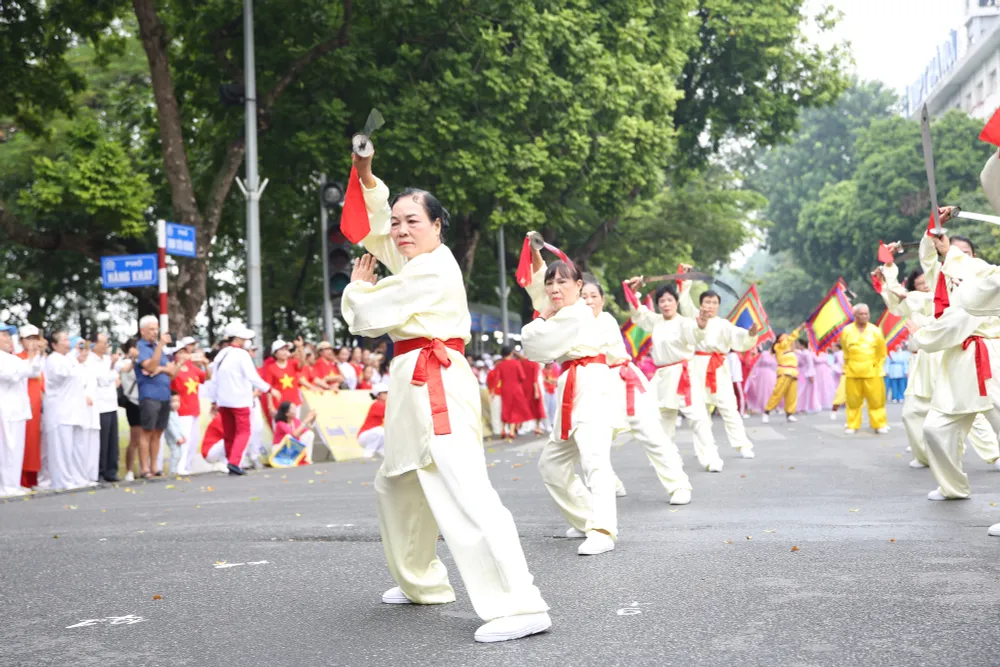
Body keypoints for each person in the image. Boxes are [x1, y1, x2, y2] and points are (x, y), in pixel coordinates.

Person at [341, 151, 550, 643]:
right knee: (397, 484)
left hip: (435, 382)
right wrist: (368, 180)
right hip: (411, 380)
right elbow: (375, 233)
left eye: (412, 220)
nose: (400, 229)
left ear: (437, 225)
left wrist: (355, 290)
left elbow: (368, 316)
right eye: (396, 221)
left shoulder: (431, 270)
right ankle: (423, 582)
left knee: (464, 490)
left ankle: (522, 601)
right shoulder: (416, 260)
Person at [522, 255, 620, 555]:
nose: (553, 288)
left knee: (594, 460)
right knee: (552, 464)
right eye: (550, 282)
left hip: (590, 384)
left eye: (562, 281)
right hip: (573, 384)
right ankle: (587, 517)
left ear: (579, 285)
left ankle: (603, 529)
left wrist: (540, 318)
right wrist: (537, 259)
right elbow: (540, 302)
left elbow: (533, 343)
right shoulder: (567, 311)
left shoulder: (575, 313)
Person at [581, 277, 693, 506]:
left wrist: (633, 294)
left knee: (652, 434)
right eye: (583, 297)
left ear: (602, 299)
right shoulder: (574, 322)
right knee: (589, 440)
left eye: (594, 296)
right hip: (593, 387)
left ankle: (679, 484)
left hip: (623, 382)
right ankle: (610, 483)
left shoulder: (605, 321)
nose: (589, 301)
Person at [623, 277, 723, 472]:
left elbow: (696, 334)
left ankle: (711, 457)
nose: (666, 304)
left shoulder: (685, 323)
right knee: (663, 419)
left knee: (698, 417)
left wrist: (702, 324)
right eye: (662, 301)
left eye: (669, 300)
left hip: (683, 375)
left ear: (676, 302)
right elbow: (638, 312)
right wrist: (633, 290)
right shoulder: (656, 321)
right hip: (662, 377)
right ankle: (666, 458)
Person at [678, 283, 764, 458]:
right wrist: (685, 283)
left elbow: (740, 337)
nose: (710, 305)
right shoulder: (694, 319)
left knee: (729, 407)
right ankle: (703, 448)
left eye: (714, 302)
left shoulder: (724, 324)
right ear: (701, 305)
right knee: (699, 411)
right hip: (698, 366)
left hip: (719, 367)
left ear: (718, 305)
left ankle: (742, 445)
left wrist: (751, 334)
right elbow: (685, 303)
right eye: (707, 302)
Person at [204, 322, 280, 475]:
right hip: (239, 401)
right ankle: (234, 462)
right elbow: (253, 377)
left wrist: (213, 400)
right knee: (243, 432)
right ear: (238, 338)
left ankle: (229, 461)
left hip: (224, 401)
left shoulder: (221, 354)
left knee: (230, 433)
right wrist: (270, 389)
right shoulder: (242, 354)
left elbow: (214, 380)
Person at [0, 323, 43, 496]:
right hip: (6, 409)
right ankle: (6, 486)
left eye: (9, 335)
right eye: (4, 335)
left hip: (17, 409)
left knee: (16, 449)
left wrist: (34, 353)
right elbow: (10, 375)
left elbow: (33, 370)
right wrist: (29, 359)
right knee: (7, 449)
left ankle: (13, 484)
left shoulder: (12, 358)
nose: (8, 339)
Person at [43, 331, 89, 490]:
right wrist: (72, 357)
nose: (67, 341)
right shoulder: (53, 359)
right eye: (63, 339)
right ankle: (63, 482)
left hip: (74, 412)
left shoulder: (69, 359)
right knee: (61, 450)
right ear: (54, 345)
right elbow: (62, 375)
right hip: (60, 413)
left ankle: (78, 479)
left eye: (67, 338)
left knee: (76, 448)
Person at [135, 316, 178, 478]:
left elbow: (172, 371)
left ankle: (155, 466)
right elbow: (151, 367)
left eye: (156, 329)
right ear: (143, 331)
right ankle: (144, 467)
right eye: (152, 329)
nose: (155, 332)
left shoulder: (157, 348)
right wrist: (160, 347)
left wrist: (162, 369)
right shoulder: (142, 347)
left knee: (158, 432)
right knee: (146, 431)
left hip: (164, 393)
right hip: (149, 394)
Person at [839, 304, 888, 435]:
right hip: (853, 371)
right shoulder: (847, 331)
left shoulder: (875, 331)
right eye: (861, 314)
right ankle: (852, 424)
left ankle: (879, 424)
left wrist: (877, 367)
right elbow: (845, 351)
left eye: (866, 313)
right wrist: (847, 367)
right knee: (853, 401)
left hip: (872, 371)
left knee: (876, 400)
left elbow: (881, 352)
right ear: (855, 315)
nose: (864, 316)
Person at [85, 332, 121, 482]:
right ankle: (99, 471)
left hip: (112, 403)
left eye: (108, 343)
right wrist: (112, 367)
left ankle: (111, 471)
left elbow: (117, 379)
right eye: (104, 343)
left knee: (113, 440)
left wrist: (113, 367)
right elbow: (104, 380)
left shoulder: (107, 359)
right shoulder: (90, 360)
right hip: (100, 405)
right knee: (102, 440)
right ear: (95, 344)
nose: (107, 346)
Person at [169, 344, 205, 475]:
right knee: (184, 439)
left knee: (193, 440)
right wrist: (179, 364)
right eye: (180, 352)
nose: (183, 355)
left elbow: (206, 378)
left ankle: (187, 466)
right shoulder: (173, 368)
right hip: (182, 410)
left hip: (195, 409)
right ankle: (179, 466)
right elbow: (171, 378)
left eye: (184, 352)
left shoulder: (192, 368)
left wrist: (205, 363)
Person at [16, 325, 45, 489]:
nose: (33, 342)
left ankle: (33, 479)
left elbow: (42, 383)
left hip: (36, 405)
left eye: (35, 338)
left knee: (34, 442)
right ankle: (21, 480)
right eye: (29, 339)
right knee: (23, 441)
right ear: (21, 341)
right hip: (23, 405)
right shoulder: (17, 358)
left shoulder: (40, 358)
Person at [763, 329, 802, 423]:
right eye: (784, 336)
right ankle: (766, 412)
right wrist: (798, 329)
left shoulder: (790, 349)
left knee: (792, 395)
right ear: (779, 339)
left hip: (793, 372)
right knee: (778, 393)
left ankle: (789, 413)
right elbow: (788, 341)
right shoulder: (778, 347)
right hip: (784, 372)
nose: (786, 337)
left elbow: (790, 341)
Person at [494, 345, 532, 440]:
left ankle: (503, 429)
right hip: (516, 388)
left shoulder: (500, 365)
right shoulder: (516, 363)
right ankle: (511, 431)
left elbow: (497, 379)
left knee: (505, 408)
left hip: (505, 389)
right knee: (515, 409)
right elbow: (522, 377)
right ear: (511, 353)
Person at [117, 339, 142, 481]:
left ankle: (144, 467)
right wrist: (134, 359)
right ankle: (129, 470)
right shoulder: (123, 362)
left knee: (144, 437)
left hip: (144, 400)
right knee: (135, 439)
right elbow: (125, 369)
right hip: (132, 401)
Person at [744, 344, 777, 415]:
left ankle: (769, 407)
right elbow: (757, 364)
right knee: (762, 391)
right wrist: (752, 373)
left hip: (771, 375)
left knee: (770, 390)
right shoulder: (765, 354)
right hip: (761, 375)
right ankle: (762, 407)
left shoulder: (776, 356)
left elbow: (775, 367)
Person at [357, 384, 388, 458]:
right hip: (364, 436)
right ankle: (367, 454)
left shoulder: (383, 404)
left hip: (371, 435)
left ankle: (381, 451)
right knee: (380, 430)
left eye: (387, 392)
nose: (387, 394)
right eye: (384, 393)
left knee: (384, 432)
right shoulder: (378, 404)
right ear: (378, 395)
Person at [163, 392, 187, 474]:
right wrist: (177, 438)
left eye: (178, 401)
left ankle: (174, 470)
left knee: (179, 454)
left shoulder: (175, 413)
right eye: (173, 401)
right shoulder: (168, 414)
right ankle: (172, 472)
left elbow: (178, 426)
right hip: (172, 438)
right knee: (175, 454)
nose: (176, 404)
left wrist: (182, 436)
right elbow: (171, 427)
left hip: (178, 438)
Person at [795, 340, 820, 414]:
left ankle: (802, 407)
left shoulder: (807, 353)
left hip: (806, 374)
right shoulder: (801, 353)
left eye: (798, 344)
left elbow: (810, 365)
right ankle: (799, 407)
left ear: (802, 345)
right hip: (801, 374)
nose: (797, 346)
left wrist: (811, 375)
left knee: (803, 390)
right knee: (800, 389)